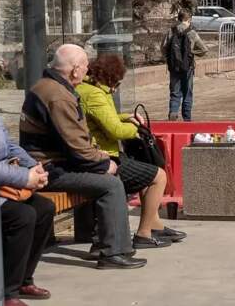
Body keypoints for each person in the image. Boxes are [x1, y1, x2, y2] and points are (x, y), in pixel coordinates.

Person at [19, 44, 146, 270]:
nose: (88, 71)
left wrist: (98, 158)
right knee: (111, 184)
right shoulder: (58, 96)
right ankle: (112, 252)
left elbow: (75, 141)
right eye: (86, 66)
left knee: (108, 177)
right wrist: (104, 163)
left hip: (52, 163)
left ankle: (108, 245)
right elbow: (77, 147)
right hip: (49, 169)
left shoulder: (47, 86)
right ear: (75, 69)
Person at [76, 54, 186, 249]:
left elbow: (104, 118)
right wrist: (136, 130)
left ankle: (154, 224)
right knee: (159, 177)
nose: (116, 88)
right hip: (105, 156)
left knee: (146, 174)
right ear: (109, 78)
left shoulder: (88, 89)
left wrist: (125, 117)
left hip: (100, 153)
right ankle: (144, 233)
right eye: (117, 83)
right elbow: (115, 130)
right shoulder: (95, 94)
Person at [0, 66, 54, 306]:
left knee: (44, 208)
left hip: (2, 185)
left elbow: (9, 146)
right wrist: (25, 178)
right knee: (22, 216)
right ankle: (8, 293)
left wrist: (34, 167)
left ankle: (23, 279)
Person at [161, 11, 208, 121]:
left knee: (175, 92)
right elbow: (204, 50)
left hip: (174, 67)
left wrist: (170, 58)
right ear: (189, 19)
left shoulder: (171, 31)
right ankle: (187, 119)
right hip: (188, 67)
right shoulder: (192, 33)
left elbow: (163, 48)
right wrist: (192, 52)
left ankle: (173, 112)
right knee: (187, 93)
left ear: (178, 19)